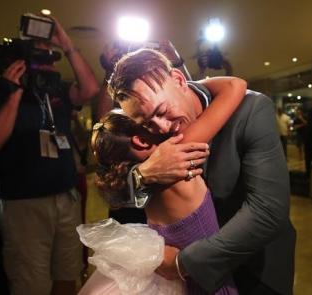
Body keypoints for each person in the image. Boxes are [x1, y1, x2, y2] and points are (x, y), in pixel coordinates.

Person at [107, 49, 296, 295]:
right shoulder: (148, 126)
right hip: (190, 281)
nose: (161, 128)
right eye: (147, 124)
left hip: (253, 267)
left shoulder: (252, 110)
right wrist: (143, 175)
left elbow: (268, 211)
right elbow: (116, 191)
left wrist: (182, 263)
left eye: (162, 111)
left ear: (178, 80)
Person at [0, 15, 99, 295]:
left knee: (67, 276)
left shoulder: (55, 88)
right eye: (41, 58)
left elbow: (90, 89)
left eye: (52, 57)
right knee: (32, 285)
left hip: (65, 197)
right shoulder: (0, 90)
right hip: (24, 204)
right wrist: (15, 91)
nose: (50, 64)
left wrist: (67, 45)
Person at [92, 76, 246, 294]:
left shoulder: (146, 183)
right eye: (146, 122)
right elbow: (234, 85)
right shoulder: (178, 154)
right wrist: (179, 84)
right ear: (141, 141)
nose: (163, 126)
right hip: (210, 284)